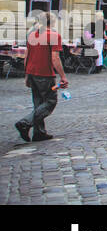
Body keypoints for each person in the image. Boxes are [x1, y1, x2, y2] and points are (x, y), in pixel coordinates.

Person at [15, 12, 68, 143]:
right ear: (53, 22)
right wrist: (63, 76)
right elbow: (55, 58)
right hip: (45, 73)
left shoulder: (32, 34)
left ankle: (39, 133)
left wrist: (27, 75)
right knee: (50, 101)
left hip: (32, 72)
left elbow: (27, 56)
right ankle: (26, 122)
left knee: (38, 103)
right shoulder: (54, 36)